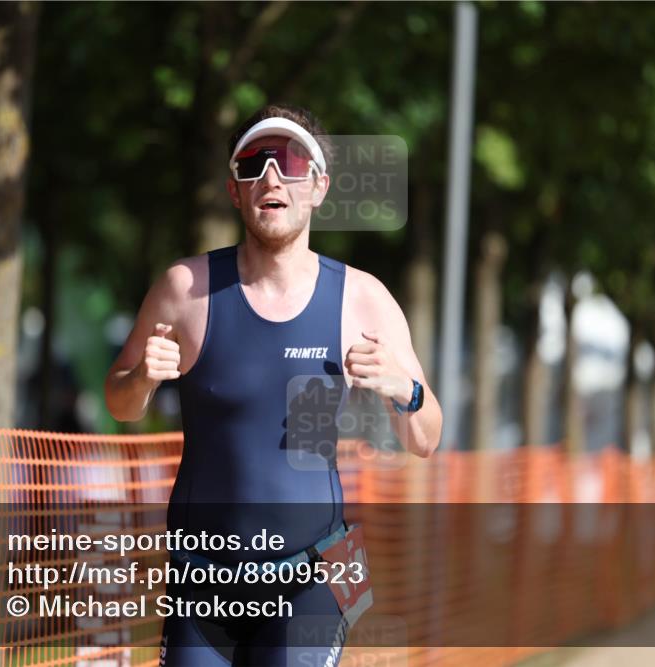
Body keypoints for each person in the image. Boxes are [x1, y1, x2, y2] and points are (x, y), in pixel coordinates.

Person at [105, 104, 442, 666]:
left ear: (317, 186)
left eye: (288, 161)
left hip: (311, 576)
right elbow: (120, 402)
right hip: (202, 580)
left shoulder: (362, 298)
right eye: (252, 164)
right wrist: (142, 377)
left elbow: (427, 437)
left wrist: (402, 387)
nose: (270, 177)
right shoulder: (185, 289)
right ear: (235, 191)